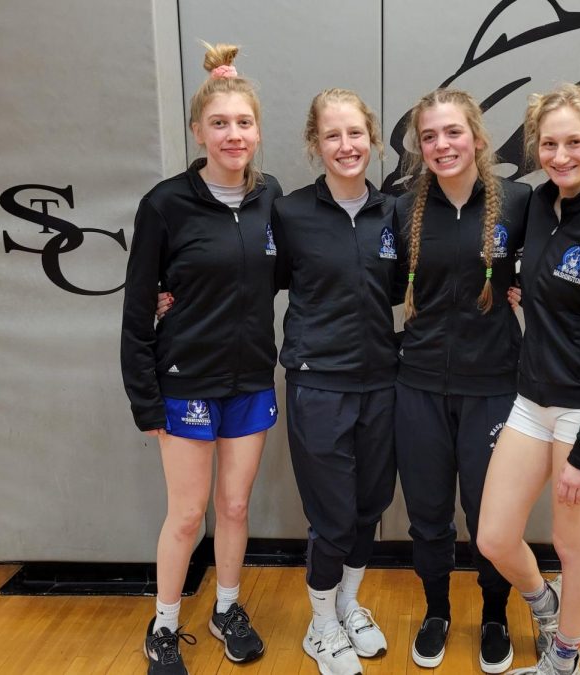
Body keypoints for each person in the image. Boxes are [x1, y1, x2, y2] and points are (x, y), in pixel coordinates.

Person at [121, 43, 280, 674]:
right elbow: (137, 312)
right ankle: (163, 626)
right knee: (188, 514)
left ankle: (227, 608)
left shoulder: (271, 200)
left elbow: (299, 270)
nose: (232, 134)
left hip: (250, 380)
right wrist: (145, 399)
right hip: (184, 383)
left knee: (236, 508)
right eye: (220, 123)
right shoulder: (166, 204)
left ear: (257, 130)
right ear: (198, 131)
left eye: (243, 123)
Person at [477, 83, 580, 675]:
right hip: (532, 402)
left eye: (575, 142)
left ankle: (563, 661)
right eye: (549, 143)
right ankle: (540, 602)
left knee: (575, 548)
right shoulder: (539, 206)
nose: (561, 155)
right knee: (493, 537)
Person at [395, 88, 531, 673]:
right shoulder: (400, 210)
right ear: (420, 147)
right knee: (427, 512)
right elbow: (360, 280)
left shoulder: (523, 202)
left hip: (494, 385)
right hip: (419, 384)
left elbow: (564, 264)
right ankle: (436, 610)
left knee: (490, 517)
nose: (442, 145)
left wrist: (534, 290)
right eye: (429, 136)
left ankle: (496, 613)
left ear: (477, 137)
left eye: (452, 132)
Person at [272, 89, 401, 675]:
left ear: (373, 140)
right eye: (332, 135)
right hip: (318, 381)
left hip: (382, 379)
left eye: (355, 134)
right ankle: (320, 622)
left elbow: (405, 289)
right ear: (314, 145)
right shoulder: (291, 213)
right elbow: (249, 276)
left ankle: (348, 605)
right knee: (333, 512)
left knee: (371, 505)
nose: (346, 146)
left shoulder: (396, 212)